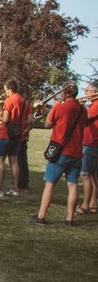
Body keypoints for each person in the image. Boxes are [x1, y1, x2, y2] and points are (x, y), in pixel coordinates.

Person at [30, 82, 86, 226]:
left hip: (60, 151)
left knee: (50, 184)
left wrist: (54, 107)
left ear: (65, 93)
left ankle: (41, 216)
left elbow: (47, 124)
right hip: (77, 152)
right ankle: (69, 219)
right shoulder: (83, 110)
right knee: (72, 185)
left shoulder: (59, 107)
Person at [0, 80, 33, 197]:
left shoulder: (9, 100)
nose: (5, 92)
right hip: (18, 136)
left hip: (6, 134)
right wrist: (22, 125)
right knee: (14, 162)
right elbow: (31, 119)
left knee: (0, 161)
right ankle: (15, 188)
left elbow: (6, 119)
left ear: (10, 89)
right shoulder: (24, 102)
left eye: (5, 89)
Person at [77, 83, 98, 215]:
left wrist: (80, 106)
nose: (85, 93)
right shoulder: (92, 105)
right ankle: (93, 203)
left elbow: (85, 119)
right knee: (93, 176)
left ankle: (85, 205)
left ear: (94, 91)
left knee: (85, 175)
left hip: (91, 144)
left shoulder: (96, 105)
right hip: (92, 143)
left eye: (87, 90)